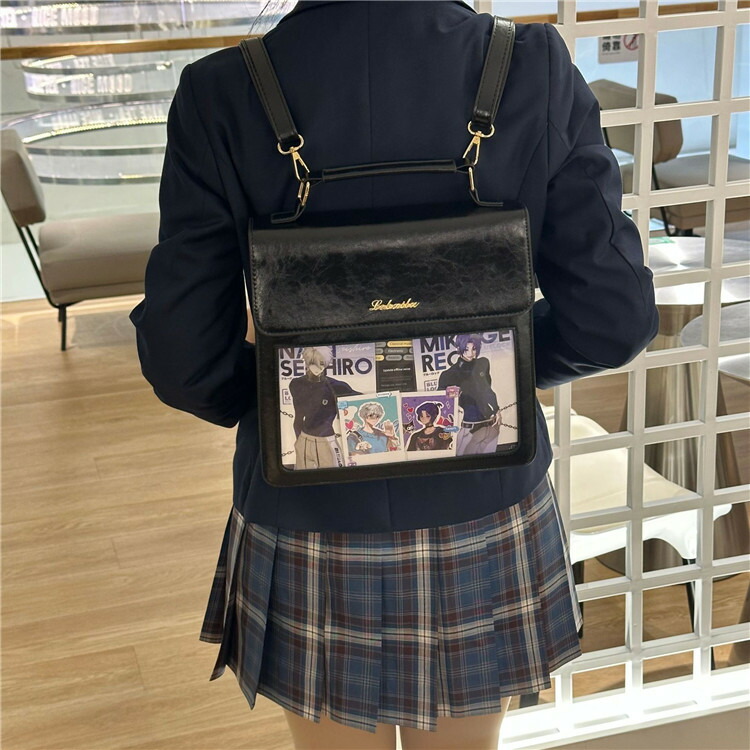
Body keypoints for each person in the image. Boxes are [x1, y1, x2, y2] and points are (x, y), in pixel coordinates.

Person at [128, 2, 659, 748]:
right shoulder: (530, 68)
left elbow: (183, 356)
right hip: (483, 495)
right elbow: (614, 318)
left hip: (306, 505)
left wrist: (281, 395)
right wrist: (494, 365)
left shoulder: (222, 92)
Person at [289, 346, 360, 469]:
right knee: (302, 476)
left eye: (321, 363)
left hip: (326, 439)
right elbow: (298, 417)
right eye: (313, 363)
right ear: (307, 362)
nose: (317, 368)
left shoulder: (337, 386)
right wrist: (298, 442)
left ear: (326, 363)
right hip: (303, 438)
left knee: (336, 474)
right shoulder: (296, 384)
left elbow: (362, 398)